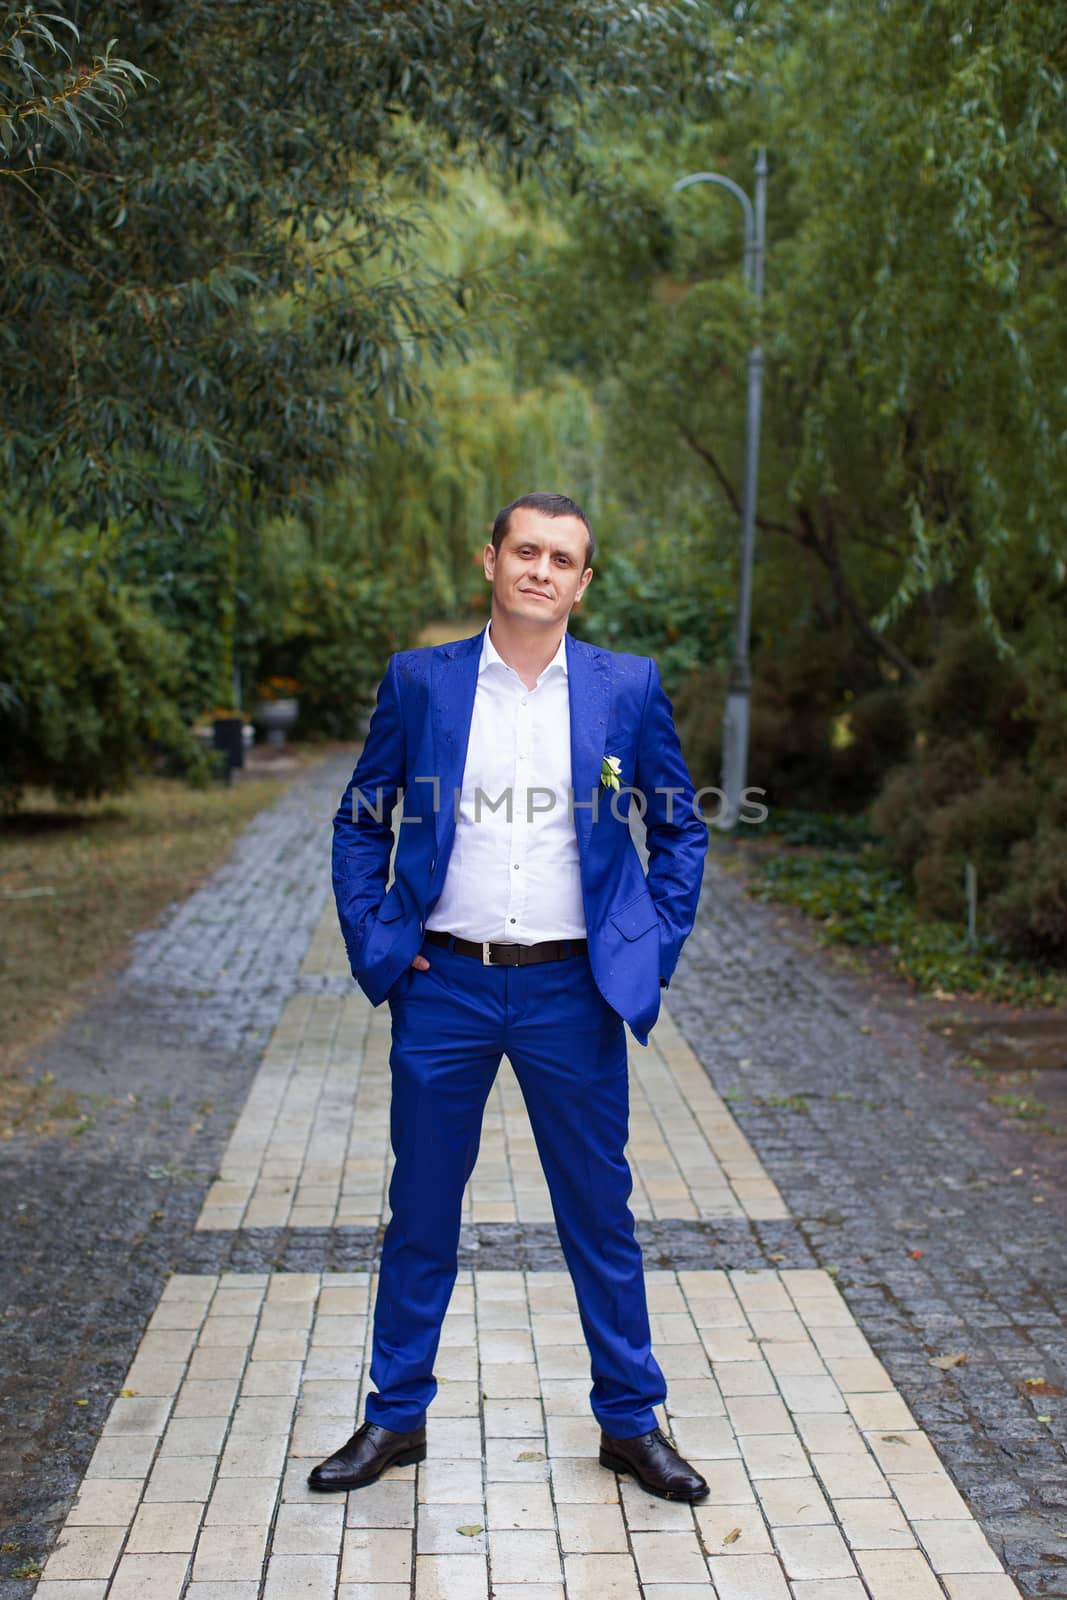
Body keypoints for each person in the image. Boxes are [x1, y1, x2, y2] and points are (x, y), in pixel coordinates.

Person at [309, 491, 710, 1502]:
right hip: (440, 986)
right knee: (421, 1209)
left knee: (598, 1214)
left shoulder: (626, 687)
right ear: (489, 561)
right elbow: (362, 821)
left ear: (582, 580)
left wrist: (646, 948)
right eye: (523, 549)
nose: (539, 568)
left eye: (560, 557)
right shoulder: (421, 684)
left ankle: (629, 1420)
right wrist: (380, 943)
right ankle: (394, 1416)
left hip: (571, 992)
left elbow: (678, 825)